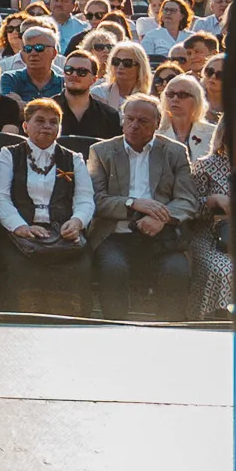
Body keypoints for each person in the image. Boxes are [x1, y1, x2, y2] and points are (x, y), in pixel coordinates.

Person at [88, 91, 202, 319]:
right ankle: (113, 330)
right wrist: (133, 203)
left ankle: (172, 335)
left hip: (162, 235)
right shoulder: (101, 152)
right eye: (129, 119)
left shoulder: (174, 152)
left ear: (158, 123)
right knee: (113, 269)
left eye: (142, 121)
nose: (134, 125)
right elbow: (96, 200)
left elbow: (188, 199)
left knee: (177, 271)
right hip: (115, 234)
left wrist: (163, 217)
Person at [0, 96, 96, 300]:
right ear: (25, 126)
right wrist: (21, 227)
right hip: (20, 233)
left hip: (62, 233)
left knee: (80, 266)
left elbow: (85, 199)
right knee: (17, 267)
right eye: (40, 120)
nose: (47, 126)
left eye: (53, 122)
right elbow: (0, 198)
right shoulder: (8, 155)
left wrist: (77, 222)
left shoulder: (73, 159)